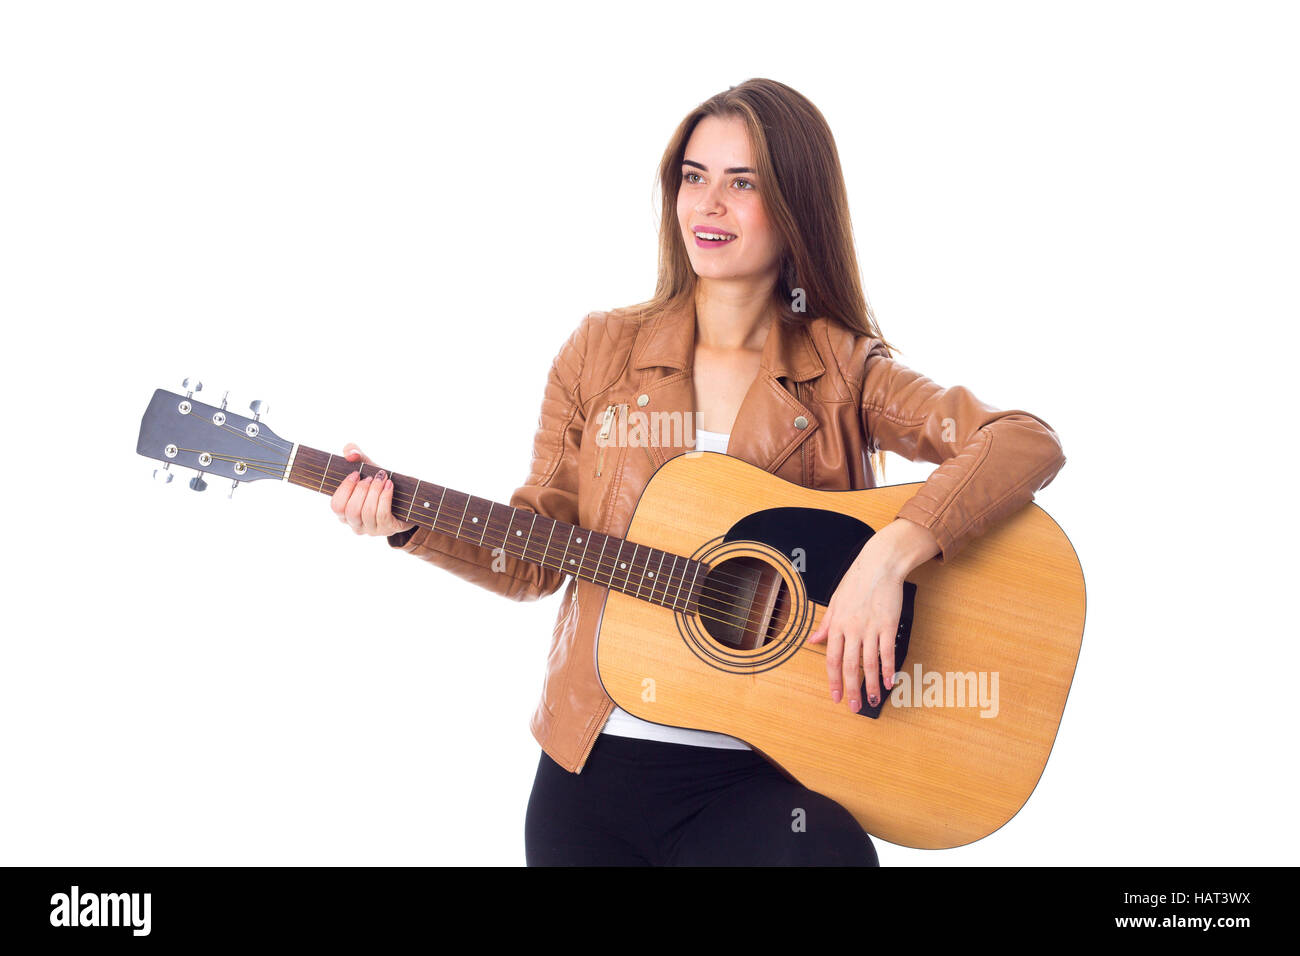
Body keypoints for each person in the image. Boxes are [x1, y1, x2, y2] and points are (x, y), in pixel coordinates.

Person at [329, 78, 1067, 866]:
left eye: (741, 183)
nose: (707, 205)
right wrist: (408, 522)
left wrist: (888, 559)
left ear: (794, 207)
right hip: (591, 771)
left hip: (764, 779)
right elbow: (537, 554)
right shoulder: (599, 353)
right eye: (693, 176)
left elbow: (1023, 441)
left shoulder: (845, 370)